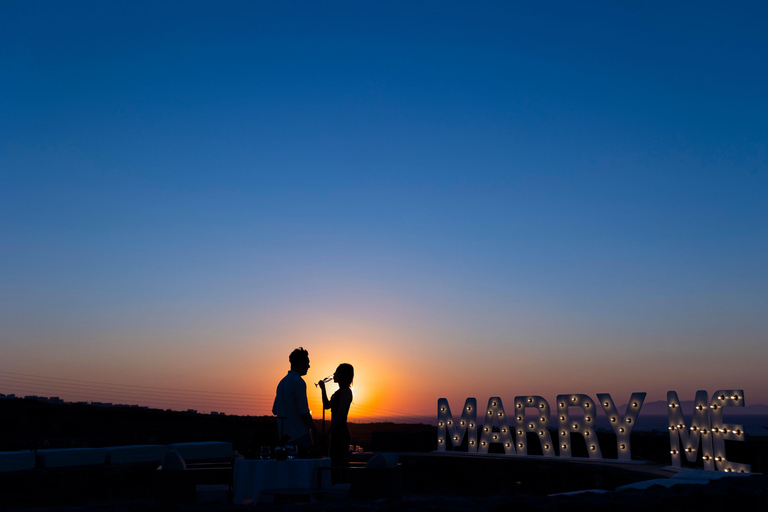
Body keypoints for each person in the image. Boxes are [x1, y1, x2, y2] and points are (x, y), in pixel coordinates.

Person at [272, 347, 321, 455]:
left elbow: (275, 410)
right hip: (300, 436)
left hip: (284, 438)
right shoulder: (299, 382)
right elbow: (303, 411)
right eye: (307, 363)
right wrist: (315, 430)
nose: (308, 366)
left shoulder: (281, 383)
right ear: (299, 362)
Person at [319, 363, 353, 480]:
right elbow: (326, 405)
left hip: (341, 433)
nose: (334, 374)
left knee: (339, 464)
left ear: (342, 375)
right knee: (334, 463)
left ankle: (341, 487)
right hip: (336, 432)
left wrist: (328, 432)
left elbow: (339, 415)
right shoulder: (339, 392)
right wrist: (323, 389)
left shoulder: (346, 391)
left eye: (336, 372)